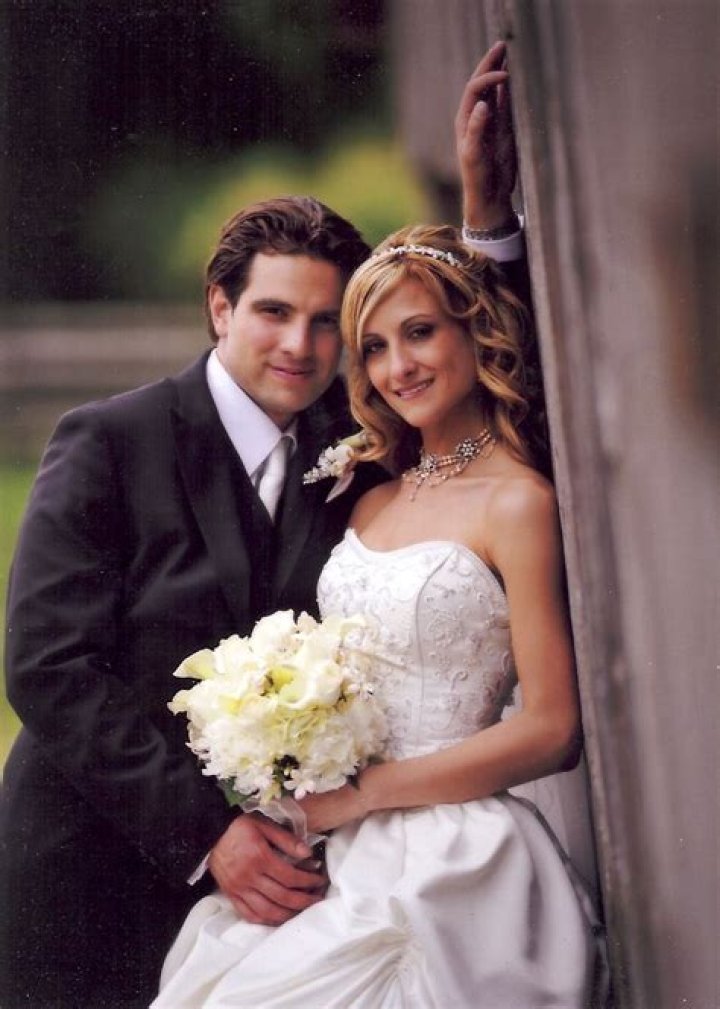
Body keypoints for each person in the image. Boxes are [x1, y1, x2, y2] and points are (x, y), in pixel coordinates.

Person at [0, 43, 529, 1009]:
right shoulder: (110, 441)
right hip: (86, 879)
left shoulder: (361, 447)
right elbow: (48, 666)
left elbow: (477, 378)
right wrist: (207, 832)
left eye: (327, 323)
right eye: (274, 312)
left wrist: (488, 223)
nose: (300, 345)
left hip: (281, 898)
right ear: (221, 306)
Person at [152, 224, 607, 1009]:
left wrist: (364, 793)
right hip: (335, 845)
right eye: (373, 347)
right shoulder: (369, 493)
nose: (399, 367)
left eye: (420, 332)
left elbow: (552, 728)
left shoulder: (517, 502)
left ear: (476, 329)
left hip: (451, 854)